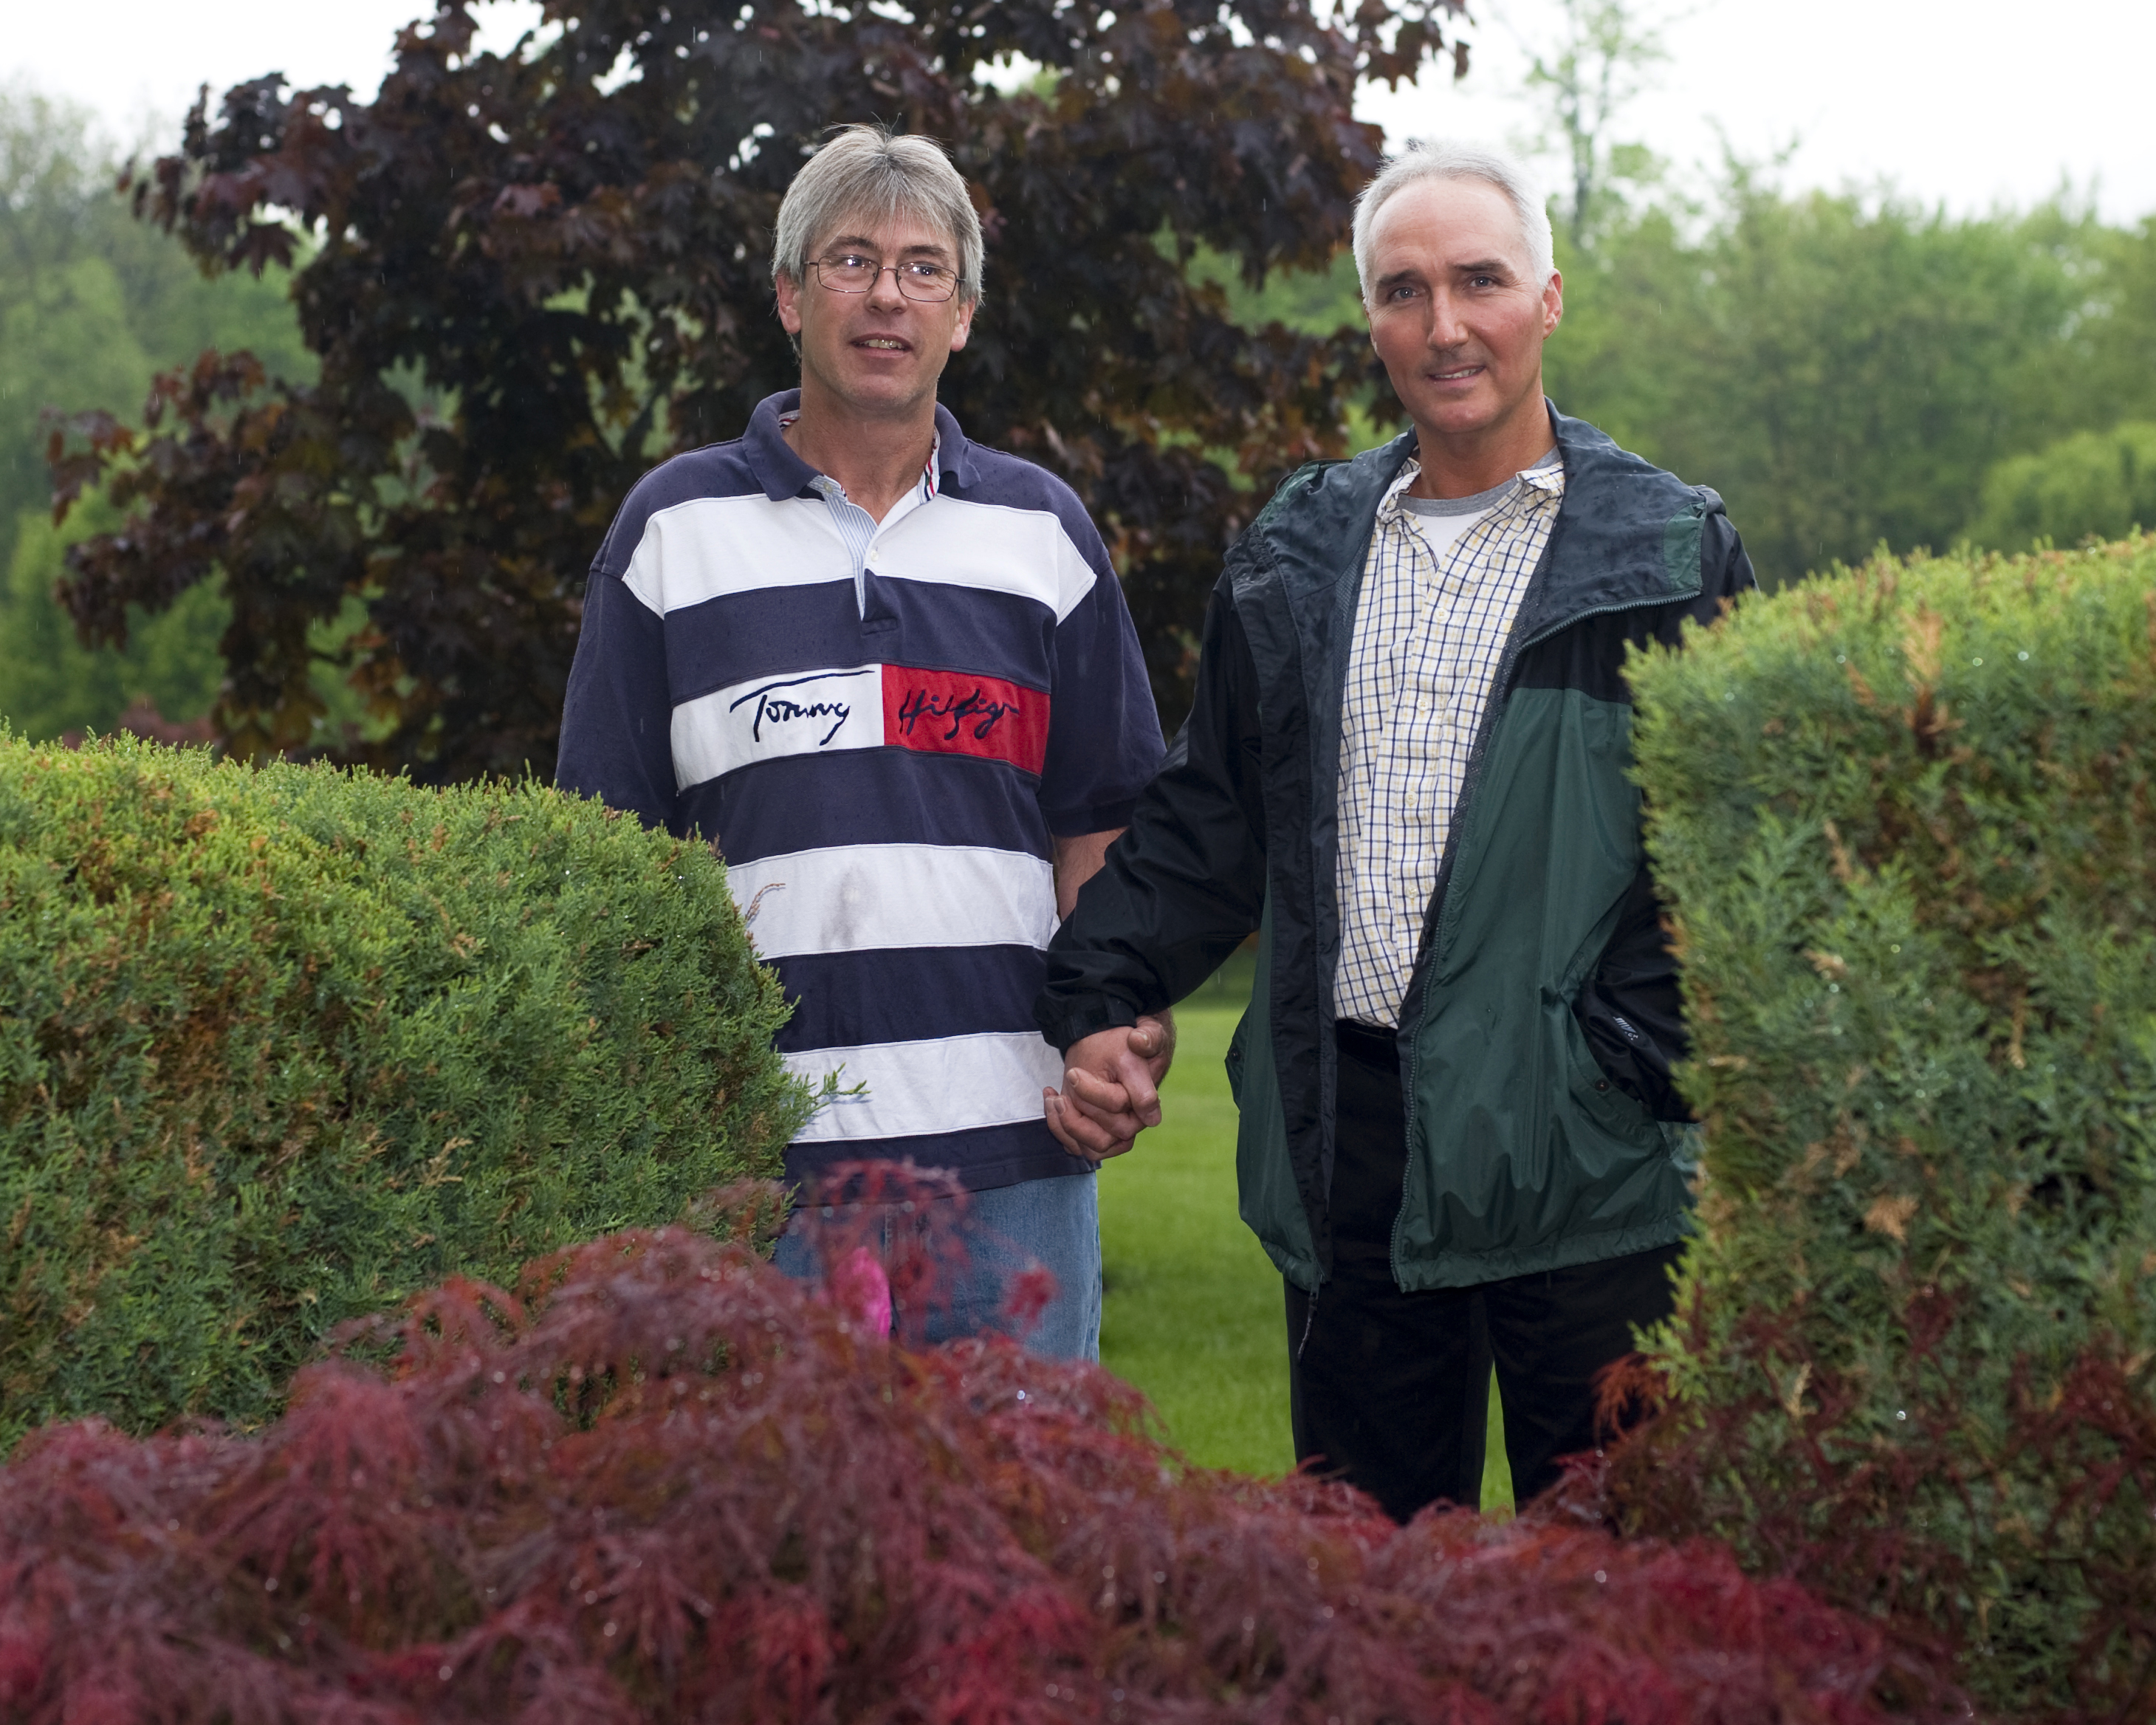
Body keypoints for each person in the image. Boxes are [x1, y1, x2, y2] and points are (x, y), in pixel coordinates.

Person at [1034, 140, 1755, 1513]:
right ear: (1369, 318)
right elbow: (1210, 821)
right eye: (1403, 290)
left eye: (1479, 281)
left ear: (1547, 297)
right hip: (1345, 1149)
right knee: (1368, 1593)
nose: (1445, 325)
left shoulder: (1669, 552)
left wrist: (1634, 1053)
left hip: (1584, 1156)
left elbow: (1721, 852)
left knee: (1620, 1603)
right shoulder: (1295, 554)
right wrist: (1096, 987)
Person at [557, 123, 1165, 1360]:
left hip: (1011, 1157)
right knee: (766, 1542)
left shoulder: (1041, 533)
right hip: (754, 1170)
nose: (888, 293)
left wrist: (1117, 1025)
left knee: (1012, 1533)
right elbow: (604, 845)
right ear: (790, 298)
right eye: (849, 259)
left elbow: (1103, 821)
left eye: (924, 267)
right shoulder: (674, 530)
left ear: (964, 314)